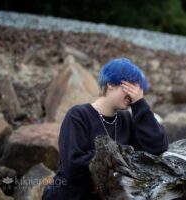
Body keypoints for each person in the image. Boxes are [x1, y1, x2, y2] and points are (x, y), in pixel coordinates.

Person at [42, 57, 169, 199]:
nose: (133, 94)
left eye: (138, 90)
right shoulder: (78, 116)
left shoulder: (126, 119)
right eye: (129, 87)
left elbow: (158, 147)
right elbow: (73, 167)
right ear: (110, 84)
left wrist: (140, 104)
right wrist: (117, 153)